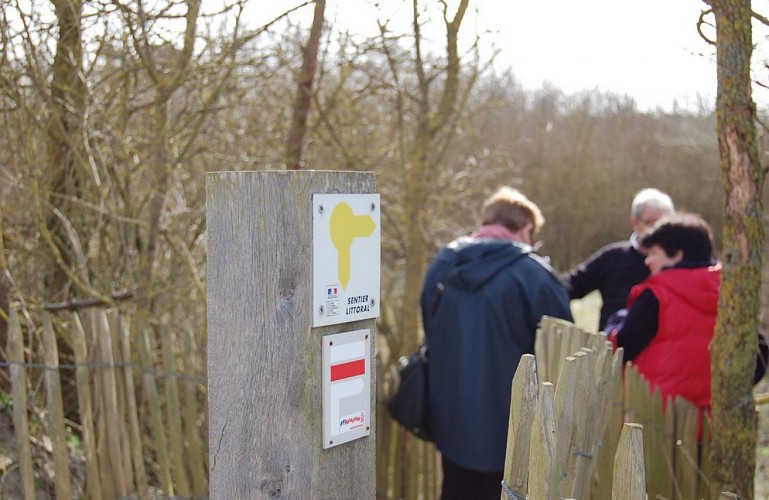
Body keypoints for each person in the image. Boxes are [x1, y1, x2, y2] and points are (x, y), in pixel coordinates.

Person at [421, 186, 572, 500]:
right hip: (512, 423)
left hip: (451, 413)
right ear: (526, 228)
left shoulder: (444, 263)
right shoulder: (532, 274)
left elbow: (429, 325)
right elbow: (564, 346)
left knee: (455, 489)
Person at [608, 213, 768, 415]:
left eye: (654, 252)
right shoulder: (732, 292)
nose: (648, 261)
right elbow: (760, 353)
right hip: (714, 418)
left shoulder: (656, 296)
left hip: (659, 418)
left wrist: (615, 323)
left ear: (676, 253)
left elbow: (622, 347)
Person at [559, 188, 675, 331]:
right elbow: (571, 284)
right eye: (652, 224)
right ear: (635, 222)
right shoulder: (613, 257)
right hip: (614, 342)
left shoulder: (683, 261)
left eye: (666, 224)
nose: (660, 231)